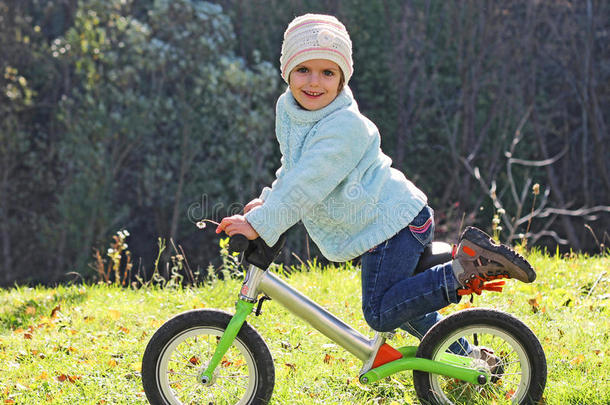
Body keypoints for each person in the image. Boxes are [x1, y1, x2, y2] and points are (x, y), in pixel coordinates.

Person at [216, 14, 535, 347]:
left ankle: (466, 268)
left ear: (342, 79)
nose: (314, 82)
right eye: (303, 70)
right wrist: (268, 202)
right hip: (383, 224)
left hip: (395, 224)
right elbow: (296, 168)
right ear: (287, 72)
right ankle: (468, 359)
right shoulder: (291, 110)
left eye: (328, 72)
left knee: (381, 311)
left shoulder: (344, 127)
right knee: (406, 307)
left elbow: (309, 182)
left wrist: (262, 223)